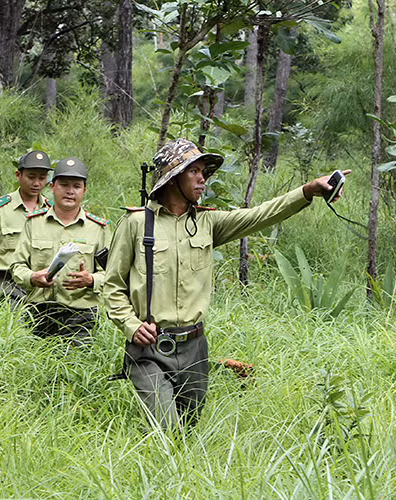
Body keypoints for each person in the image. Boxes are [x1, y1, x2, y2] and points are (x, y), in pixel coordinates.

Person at [103, 138, 349, 429]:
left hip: (195, 349)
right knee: (166, 429)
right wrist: (131, 325)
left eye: (203, 172)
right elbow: (113, 286)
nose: (201, 178)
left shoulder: (208, 223)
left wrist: (306, 191)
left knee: (187, 431)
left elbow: (259, 215)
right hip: (150, 350)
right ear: (172, 177)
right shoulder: (135, 225)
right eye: (193, 171)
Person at [10, 157, 111, 346]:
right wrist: (32, 277)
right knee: (36, 369)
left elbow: (113, 275)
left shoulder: (98, 228)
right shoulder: (34, 223)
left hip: (81, 316)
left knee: (75, 370)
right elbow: (16, 266)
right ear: (52, 186)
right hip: (39, 312)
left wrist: (91, 280)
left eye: (77, 186)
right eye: (64, 185)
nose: (70, 191)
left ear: (84, 190)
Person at [0, 150, 53, 304]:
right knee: (15, 325)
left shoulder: (51, 211)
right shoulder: (1, 209)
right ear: (18, 175)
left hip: (42, 283)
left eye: (42, 178)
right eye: (31, 177)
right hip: (8, 283)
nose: (36, 183)